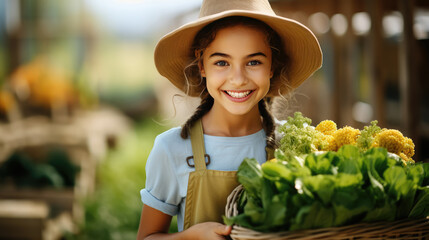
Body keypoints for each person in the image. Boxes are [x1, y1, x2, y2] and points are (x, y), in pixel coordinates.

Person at [137, 0, 322, 239]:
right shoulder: (172, 149)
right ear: (202, 64)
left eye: (254, 62)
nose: (237, 79)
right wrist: (190, 236)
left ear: (272, 66)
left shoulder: (293, 144)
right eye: (222, 62)